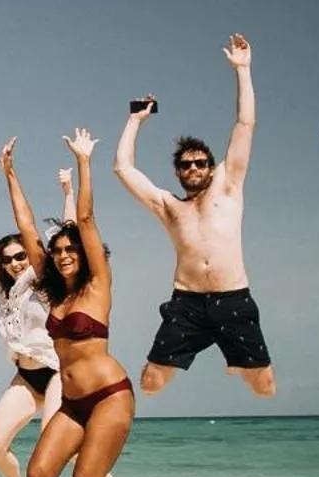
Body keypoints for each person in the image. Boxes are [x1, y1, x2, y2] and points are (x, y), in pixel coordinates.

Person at [0, 149, 130, 477]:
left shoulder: (48, 284)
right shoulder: (2, 287)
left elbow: (69, 236)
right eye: (8, 259)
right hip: (26, 373)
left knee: (55, 439)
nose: (15, 263)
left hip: (55, 371)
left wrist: (68, 188)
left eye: (20, 257)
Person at [115, 34, 274, 397]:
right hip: (186, 304)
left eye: (201, 163)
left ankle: (234, 359)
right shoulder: (169, 207)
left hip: (233, 298)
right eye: (186, 165)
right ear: (178, 173)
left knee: (264, 387)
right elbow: (123, 169)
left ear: (212, 167)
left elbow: (245, 124)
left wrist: (243, 70)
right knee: (151, 383)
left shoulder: (228, 186)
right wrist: (135, 121)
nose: (194, 169)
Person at [10, 131, 135, 477]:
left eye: (70, 250)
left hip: (108, 397)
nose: (63, 255)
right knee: (39, 476)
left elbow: (84, 216)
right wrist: (9, 174)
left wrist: (83, 161)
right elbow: (26, 230)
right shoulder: (56, 296)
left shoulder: (97, 285)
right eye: (57, 251)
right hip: (73, 404)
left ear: (84, 254)